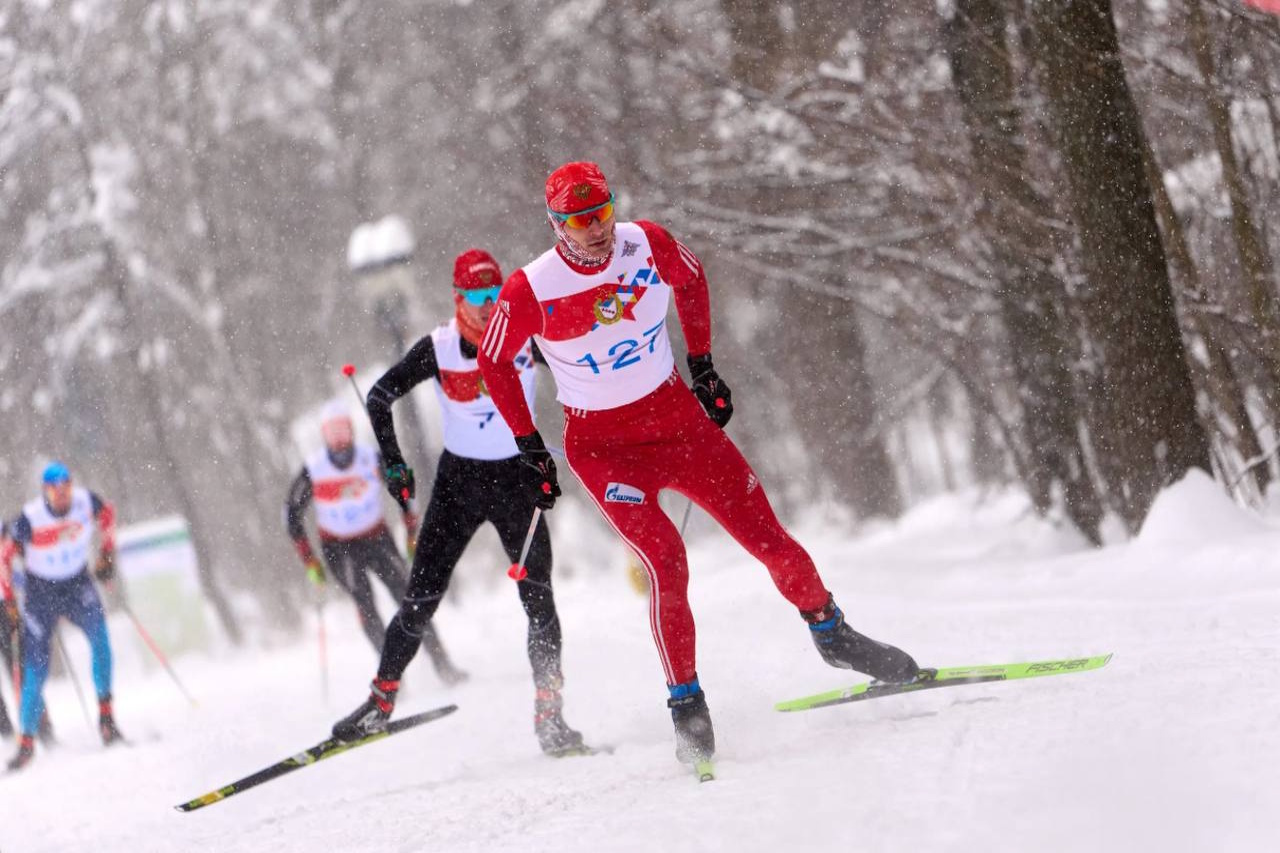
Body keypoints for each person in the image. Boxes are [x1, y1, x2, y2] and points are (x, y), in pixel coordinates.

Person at [477, 161, 921, 769]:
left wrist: (703, 365)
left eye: (602, 212)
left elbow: (690, 281)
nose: (596, 229)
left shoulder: (647, 243)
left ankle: (832, 633)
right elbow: (494, 361)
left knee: (770, 540)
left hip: (680, 425)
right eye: (580, 221)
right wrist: (529, 445)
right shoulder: (530, 288)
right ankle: (686, 703)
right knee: (666, 561)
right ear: (557, 225)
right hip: (605, 451)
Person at [332, 248, 587, 756]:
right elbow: (379, 396)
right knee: (419, 600)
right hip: (460, 485)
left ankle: (550, 715)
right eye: (477, 295)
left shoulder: (526, 337)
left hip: (518, 480)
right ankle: (380, 702)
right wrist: (395, 465)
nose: (489, 305)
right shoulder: (440, 346)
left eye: (496, 293)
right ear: (458, 298)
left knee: (539, 599)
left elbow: (584, 371)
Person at [285, 402, 466, 684]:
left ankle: (443, 665)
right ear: (324, 436)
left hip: (376, 538)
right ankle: (391, 678)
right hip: (339, 548)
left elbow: (405, 493)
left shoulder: (370, 458)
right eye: (332, 433)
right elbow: (291, 513)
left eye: (343, 431)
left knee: (409, 600)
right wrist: (310, 561)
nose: (339, 439)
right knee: (366, 605)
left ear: (352, 430)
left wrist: (410, 528)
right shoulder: (315, 468)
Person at [1, 462, 123, 770]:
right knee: (35, 670)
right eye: (54, 489)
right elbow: (5, 555)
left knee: (101, 642)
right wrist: (10, 600)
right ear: (45, 491)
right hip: (41, 595)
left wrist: (106, 555)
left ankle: (106, 719)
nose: (61, 493)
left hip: (77, 584)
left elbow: (108, 516)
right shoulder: (30, 518)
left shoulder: (86, 501)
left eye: (66, 486)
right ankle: (26, 743)